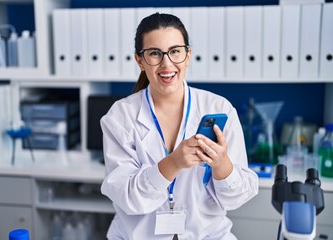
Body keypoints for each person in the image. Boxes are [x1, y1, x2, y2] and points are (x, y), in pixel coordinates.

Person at [100, 12, 259, 240]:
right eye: (155, 53)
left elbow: (237, 198)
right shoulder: (120, 117)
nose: (167, 64)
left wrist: (221, 163)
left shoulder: (219, 108)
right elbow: (127, 198)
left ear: (187, 55)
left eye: (175, 51)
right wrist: (174, 162)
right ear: (140, 61)